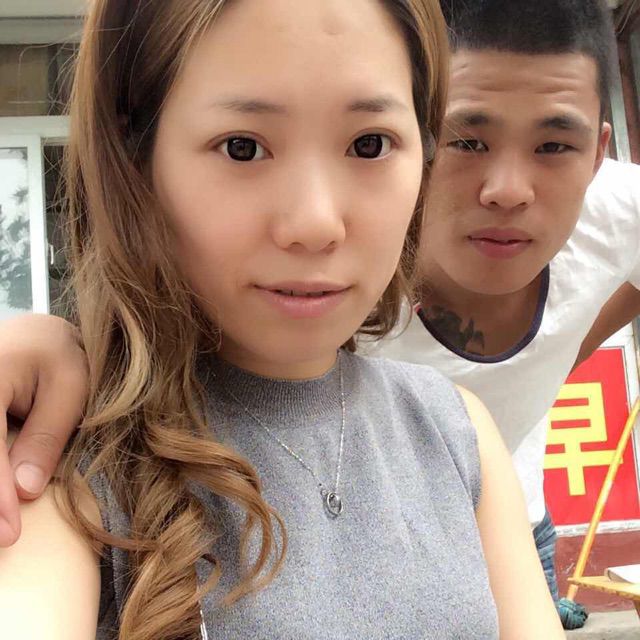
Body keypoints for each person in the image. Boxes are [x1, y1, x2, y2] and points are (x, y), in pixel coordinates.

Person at [0, 1, 564, 638]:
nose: (315, 223)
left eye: (370, 144)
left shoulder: (454, 430)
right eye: (243, 148)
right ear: (138, 162)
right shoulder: (64, 454)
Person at [364, 0, 640, 628]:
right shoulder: (341, 255)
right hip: (363, 543)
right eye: (467, 141)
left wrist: (566, 349)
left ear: (598, 153)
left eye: (553, 145)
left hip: (518, 528)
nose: (507, 190)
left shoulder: (618, 211)